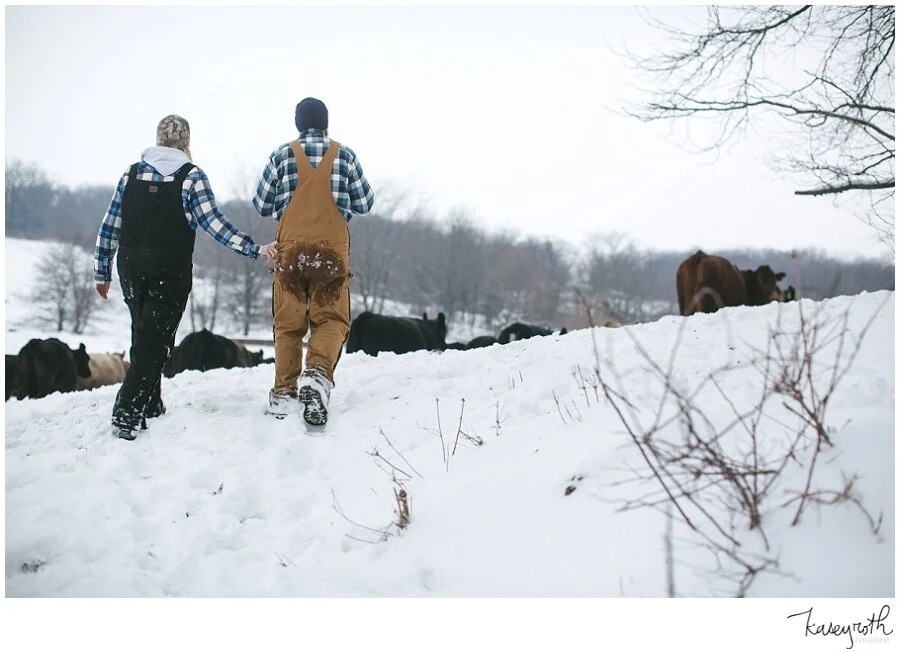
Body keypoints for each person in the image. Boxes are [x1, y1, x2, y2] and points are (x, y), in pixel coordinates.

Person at [93, 114, 277, 441]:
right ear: (186, 142)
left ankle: (151, 405)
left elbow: (110, 226)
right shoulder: (191, 178)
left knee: (143, 334)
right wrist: (255, 249)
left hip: (131, 266)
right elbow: (215, 225)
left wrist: (102, 270)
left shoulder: (131, 174)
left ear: (158, 138)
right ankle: (126, 412)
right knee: (155, 341)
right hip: (169, 269)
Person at [253, 97, 375, 425]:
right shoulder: (345, 155)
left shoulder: (281, 154)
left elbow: (261, 205)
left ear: (297, 124)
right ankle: (318, 375)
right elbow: (365, 203)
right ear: (326, 123)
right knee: (332, 319)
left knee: (288, 323)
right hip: (331, 253)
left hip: (290, 252)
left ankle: (283, 393)